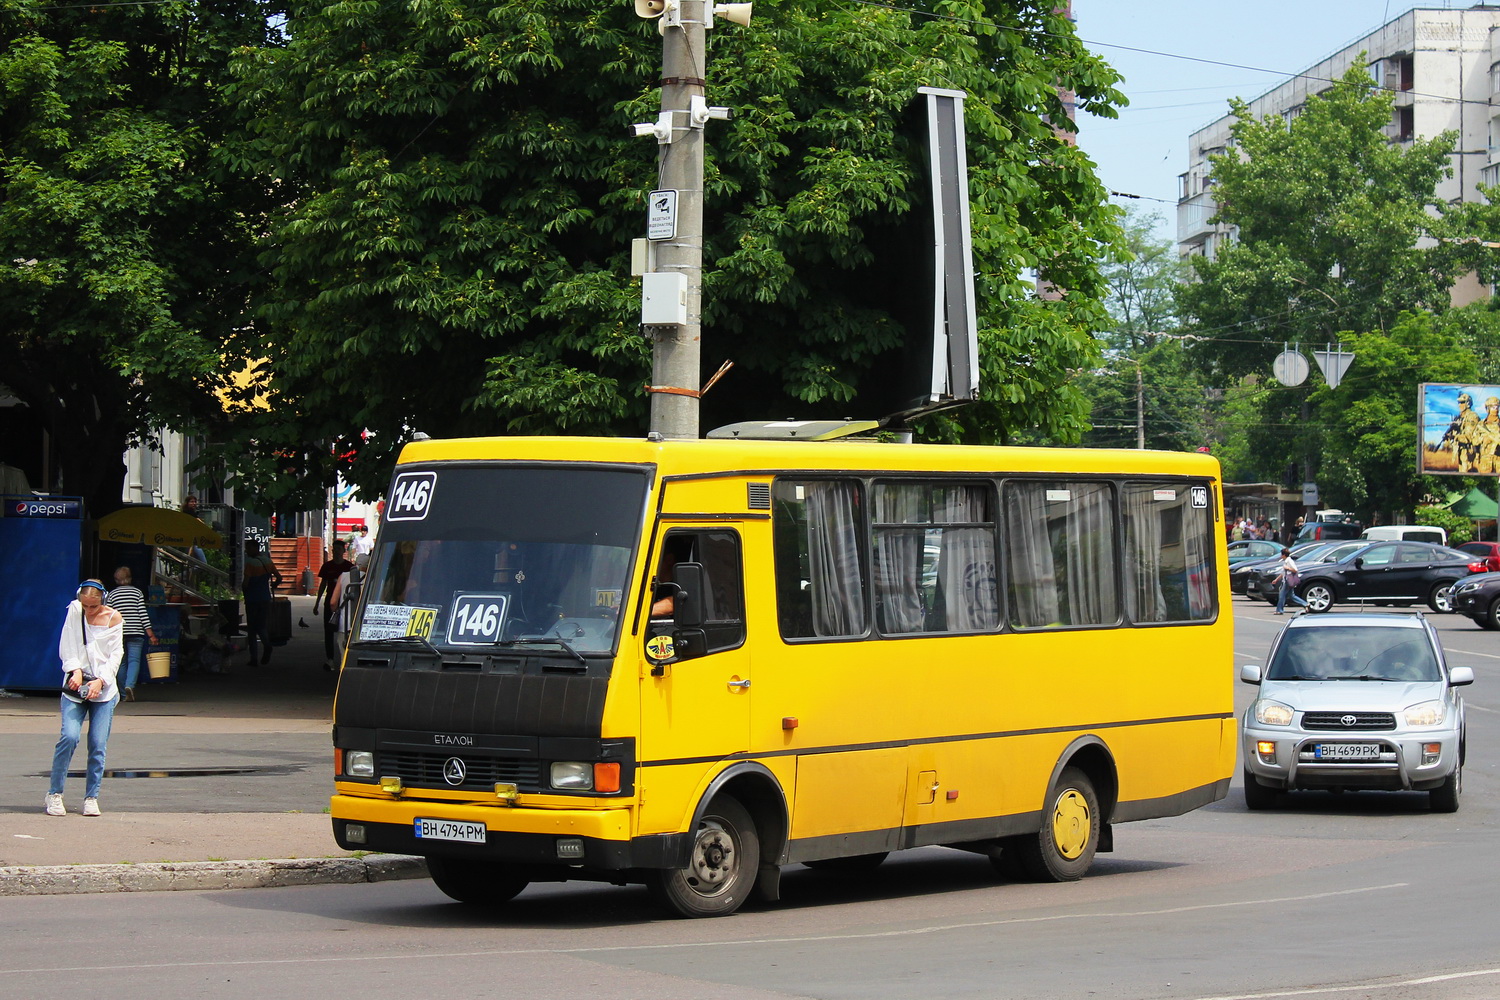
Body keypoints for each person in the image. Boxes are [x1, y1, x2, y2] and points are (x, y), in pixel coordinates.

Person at [46, 580, 123, 817]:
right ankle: (54, 793)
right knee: (69, 737)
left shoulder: (114, 618)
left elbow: (115, 655)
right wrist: (75, 670)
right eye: (86, 605)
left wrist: (101, 681)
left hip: (103, 689)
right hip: (76, 686)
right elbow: (67, 644)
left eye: (94, 606)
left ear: (103, 600)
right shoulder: (74, 610)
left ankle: (91, 797)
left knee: (98, 745)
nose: (89, 610)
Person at [106, 566, 156, 702]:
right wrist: (150, 633)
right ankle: (130, 686)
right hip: (136, 632)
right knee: (134, 661)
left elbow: (108, 615)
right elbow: (143, 614)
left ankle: (123, 694)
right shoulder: (137, 593)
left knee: (121, 662)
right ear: (130, 578)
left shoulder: (112, 594)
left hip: (119, 632)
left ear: (116, 580)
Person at [312, 540, 356, 671]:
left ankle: (345, 659)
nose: (336, 552)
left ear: (343, 551)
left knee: (345, 633)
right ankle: (330, 659)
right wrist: (317, 603)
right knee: (329, 632)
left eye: (338, 549)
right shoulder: (327, 566)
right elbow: (323, 585)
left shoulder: (349, 567)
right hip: (330, 605)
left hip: (345, 605)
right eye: (334, 549)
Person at [241, 538, 281, 666]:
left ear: (254, 548)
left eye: (248, 548)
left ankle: (254, 658)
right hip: (265, 597)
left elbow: (246, 583)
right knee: (262, 625)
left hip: (252, 599)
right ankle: (267, 644)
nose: (246, 551)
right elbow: (279, 577)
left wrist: (244, 592)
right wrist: (273, 585)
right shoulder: (267, 561)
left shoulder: (250, 563)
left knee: (252, 629)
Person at [1272, 547, 1308, 615]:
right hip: (1286, 580)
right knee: (1291, 595)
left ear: (1284, 555)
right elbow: (1283, 573)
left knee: (1282, 595)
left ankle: (1279, 610)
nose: (1280, 556)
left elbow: (1295, 570)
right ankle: (1305, 604)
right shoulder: (1286, 561)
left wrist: (1288, 568)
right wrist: (1276, 580)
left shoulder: (1289, 561)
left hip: (1288, 581)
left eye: (1281, 554)